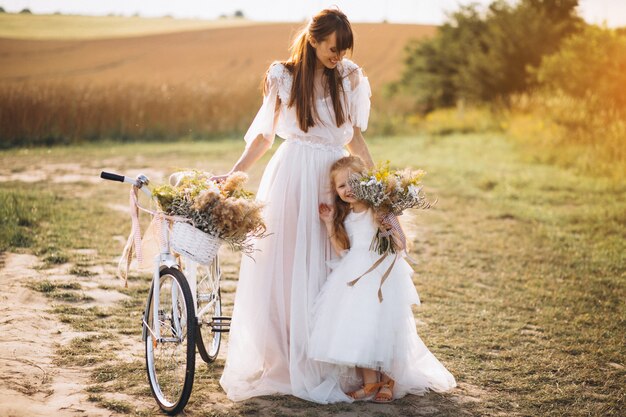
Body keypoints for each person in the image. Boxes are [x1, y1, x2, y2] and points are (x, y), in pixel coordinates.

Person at [213, 8, 374, 403]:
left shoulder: (349, 76)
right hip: (291, 177)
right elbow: (265, 138)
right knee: (285, 267)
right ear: (314, 39)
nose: (339, 56)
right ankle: (287, 355)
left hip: (335, 179)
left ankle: (330, 355)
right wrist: (234, 175)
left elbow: (354, 137)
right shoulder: (282, 76)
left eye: (344, 49)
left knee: (331, 265)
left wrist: (376, 179)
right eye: (333, 48)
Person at [309, 155, 457, 403]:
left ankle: (389, 380)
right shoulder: (344, 217)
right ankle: (370, 383)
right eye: (342, 185)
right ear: (335, 191)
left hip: (382, 275)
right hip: (354, 274)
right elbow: (341, 250)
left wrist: (386, 225)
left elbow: (401, 245)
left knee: (386, 327)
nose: (348, 189)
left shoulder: (380, 210)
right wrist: (327, 223)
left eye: (354, 182)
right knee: (359, 326)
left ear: (367, 182)